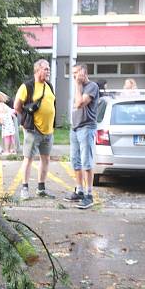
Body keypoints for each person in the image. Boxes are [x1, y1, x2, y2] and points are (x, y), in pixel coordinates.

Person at [14, 60, 55, 200]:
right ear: (37, 70)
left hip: (48, 130)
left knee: (46, 159)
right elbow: (17, 106)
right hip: (33, 129)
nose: (48, 71)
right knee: (28, 159)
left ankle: (41, 188)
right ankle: (24, 188)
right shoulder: (27, 86)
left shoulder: (49, 85)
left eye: (49, 69)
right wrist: (26, 120)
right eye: (46, 69)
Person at [66, 63, 100, 209]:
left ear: (84, 72)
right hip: (75, 128)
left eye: (76, 72)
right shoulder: (77, 87)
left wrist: (78, 85)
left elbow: (79, 103)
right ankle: (79, 190)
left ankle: (89, 195)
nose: (74, 76)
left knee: (86, 162)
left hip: (86, 127)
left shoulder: (92, 86)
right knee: (76, 161)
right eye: (72, 73)